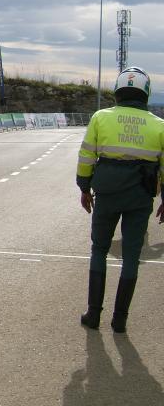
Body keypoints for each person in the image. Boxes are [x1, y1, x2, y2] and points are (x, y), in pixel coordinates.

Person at [78, 67, 164, 333]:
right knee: (130, 257)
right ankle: (120, 320)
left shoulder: (100, 118)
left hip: (107, 194)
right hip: (140, 197)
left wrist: (84, 187)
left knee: (99, 250)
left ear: (117, 91)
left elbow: (86, 156)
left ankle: (93, 315)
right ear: (146, 93)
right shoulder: (160, 125)